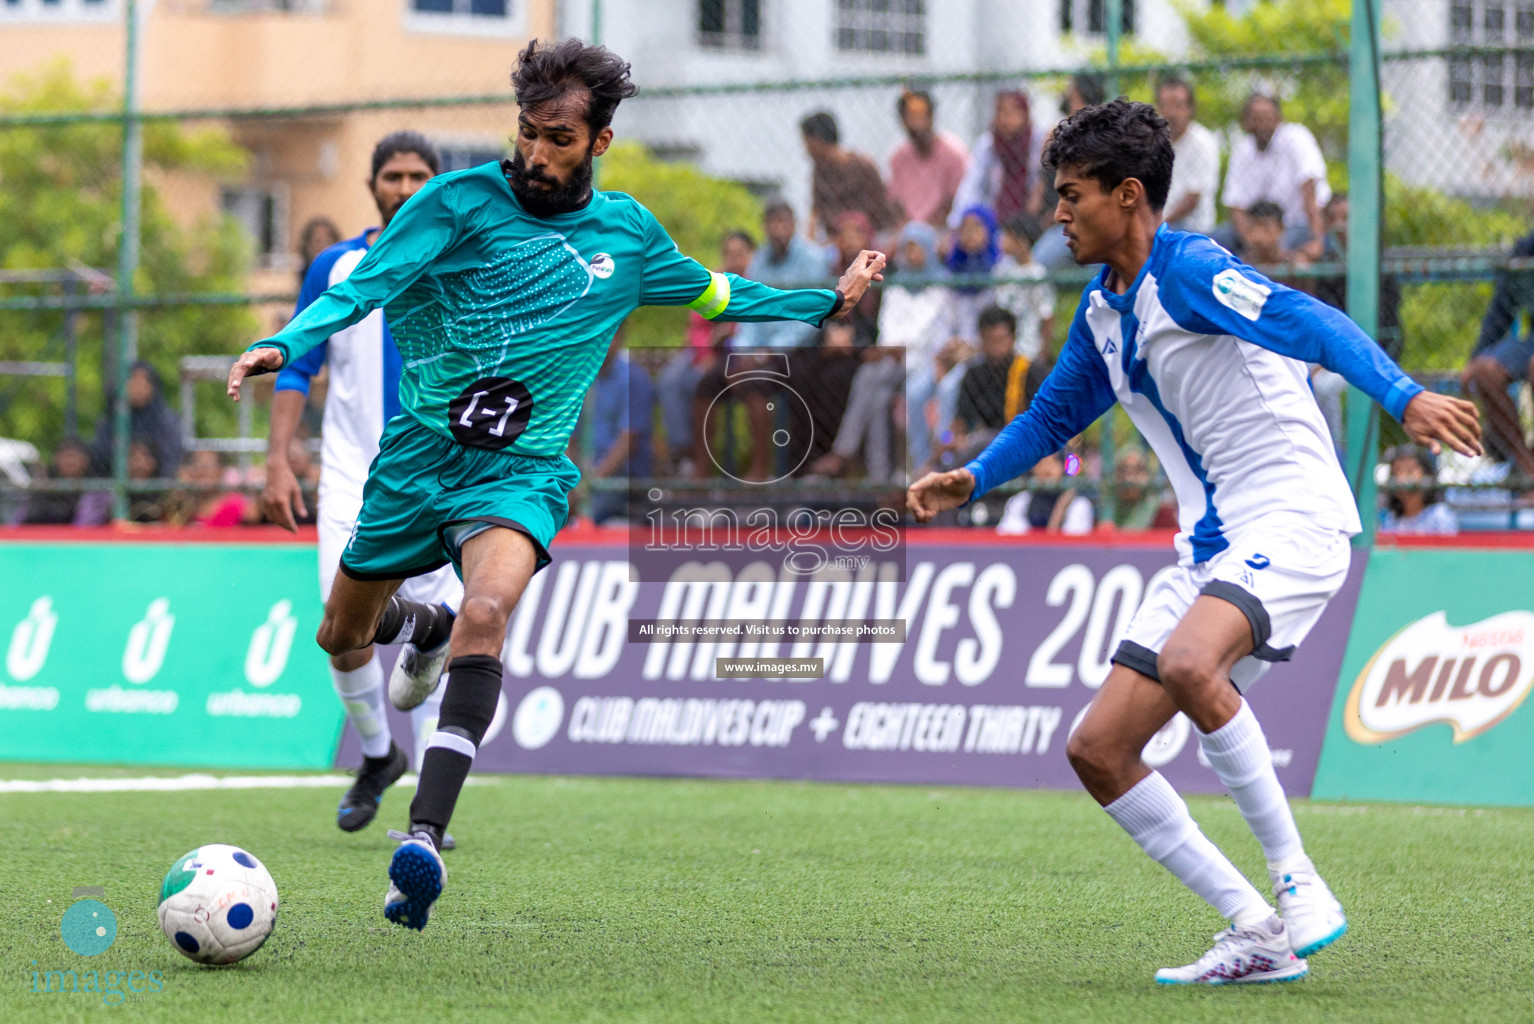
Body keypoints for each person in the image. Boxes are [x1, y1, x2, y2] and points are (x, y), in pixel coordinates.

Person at [226, 38, 886, 931]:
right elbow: (365, 289)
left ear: (600, 142)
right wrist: (286, 344)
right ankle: (419, 623)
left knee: (489, 610)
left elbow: (717, 295)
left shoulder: (625, 235)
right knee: (341, 636)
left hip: (521, 471)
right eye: (529, 134)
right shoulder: (456, 203)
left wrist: (826, 304)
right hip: (415, 464)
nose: (537, 155)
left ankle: (422, 839)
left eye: (560, 140)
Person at [907, 99, 1481, 985]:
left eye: (1071, 195)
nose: (1057, 212)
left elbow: (1312, 322)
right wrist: (975, 478)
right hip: (1209, 548)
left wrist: (1403, 396)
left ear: (1128, 195)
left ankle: (1299, 884)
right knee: (1097, 751)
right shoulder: (1103, 310)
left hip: (1294, 515)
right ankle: (1256, 929)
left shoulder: (1195, 272)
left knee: (1187, 664)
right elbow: (1056, 413)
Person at [259, 130, 466, 847]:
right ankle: (379, 756)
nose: (406, 188)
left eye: (419, 176)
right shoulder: (335, 265)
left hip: (443, 472)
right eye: (393, 176)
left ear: (438, 184)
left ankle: (426, 819)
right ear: (372, 185)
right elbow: (296, 365)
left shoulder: (468, 257)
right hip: (352, 474)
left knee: (431, 651)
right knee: (339, 628)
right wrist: (277, 461)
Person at [655, 229, 754, 473]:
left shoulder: (756, 281)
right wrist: (705, 353)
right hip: (704, 351)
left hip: (733, 354)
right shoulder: (716, 280)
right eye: (729, 254)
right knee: (669, 379)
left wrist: (726, 334)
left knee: (697, 383)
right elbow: (697, 325)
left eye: (740, 254)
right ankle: (683, 451)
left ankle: (701, 460)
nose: (734, 259)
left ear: (752, 255)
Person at [925, 305, 1043, 472]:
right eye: (989, 340)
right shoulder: (974, 374)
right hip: (979, 445)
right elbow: (960, 422)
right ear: (980, 339)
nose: (996, 348)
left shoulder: (1030, 371)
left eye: (1001, 340)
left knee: (982, 443)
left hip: (1019, 446)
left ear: (1013, 339)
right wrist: (949, 441)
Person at [1462, 225, 1534, 481]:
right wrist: (1476, 356)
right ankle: (1526, 466)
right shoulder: (1525, 249)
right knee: (1485, 371)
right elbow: (1501, 308)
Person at [1221, 94, 1330, 260]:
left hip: (1298, 222)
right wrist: (1252, 242)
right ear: (1245, 122)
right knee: (1214, 240)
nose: (1261, 124)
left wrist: (1317, 240)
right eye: (1255, 118)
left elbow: (1309, 190)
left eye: (1267, 118)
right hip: (1257, 228)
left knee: (1282, 245)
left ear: (1278, 119)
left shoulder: (1296, 137)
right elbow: (1236, 206)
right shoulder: (1242, 149)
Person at [582, 332, 655, 522]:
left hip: (622, 481)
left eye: (608, 336)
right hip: (586, 478)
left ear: (619, 339)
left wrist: (587, 485)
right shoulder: (583, 378)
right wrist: (571, 482)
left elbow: (627, 444)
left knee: (584, 515)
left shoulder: (635, 379)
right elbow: (571, 439)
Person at [949, 91, 1047, 233]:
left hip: (1034, 222)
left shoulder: (1040, 142)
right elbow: (971, 187)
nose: (1006, 118)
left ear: (1026, 114)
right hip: (993, 223)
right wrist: (958, 223)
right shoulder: (988, 144)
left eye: (1013, 111)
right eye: (1001, 111)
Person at [800, 110, 899, 239]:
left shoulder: (863, 167)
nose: (805, 150)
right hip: (837, 240)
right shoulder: (820, 170)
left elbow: (880, 212)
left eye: (806, 143)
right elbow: (816, 211)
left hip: (872, 236)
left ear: (817, 141)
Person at [886, 87, 969, 229]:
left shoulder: (954, 153)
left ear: (931, 116)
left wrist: (927, 228)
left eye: (922, 116)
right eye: (911, 117)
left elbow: (956, 200)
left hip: (944, 230)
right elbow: (895, 202)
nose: (917, 123)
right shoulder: (898, 157)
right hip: (909, 231)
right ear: (903, 121)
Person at [90, 360, 183, 479]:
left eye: (143, 382)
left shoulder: (166, 420)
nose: (137, 387)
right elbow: (100, 454)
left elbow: (170, 459)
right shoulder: (111, 418)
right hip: (114, 483)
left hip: (156, 484)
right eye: (132, 381)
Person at [1155, 76, 1219, 236]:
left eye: (1177, 106)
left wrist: (1157, 222)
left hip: (1192, 228)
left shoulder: (1203, 142)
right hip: (1158, 223)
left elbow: (1192, 200)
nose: (1171, 113)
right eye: (1165, 106)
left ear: (1190, 109)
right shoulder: (1153, 142)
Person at [993, 216, 1055, 361]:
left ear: (1021, 241)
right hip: (1003, 347)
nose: (1002, 241)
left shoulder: (1037, 274)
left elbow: (1046, 315)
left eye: (1008, 236)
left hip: (1028, 347)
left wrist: (1043, 352)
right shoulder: (1002, 270)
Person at [996, 450, 1093, 534]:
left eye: (1054, 461)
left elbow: (1074, 548)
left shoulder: (1078, 505)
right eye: (1041, 461)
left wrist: (1059, 512)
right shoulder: (1020, 502)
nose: (1047, 468)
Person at [23, 438, 111, 526]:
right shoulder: (45, 488)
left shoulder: (96, 492)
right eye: (65, 456)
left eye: (73, 456)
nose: (69, 462)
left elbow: (85, 526)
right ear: (55, 459)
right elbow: (21, 521)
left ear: (85, 460)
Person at [1380, 445, 1457, 535]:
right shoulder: (1391, 519)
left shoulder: (1439, 516)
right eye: (1396, 472)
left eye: (1409, 471)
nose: (1401, 478)